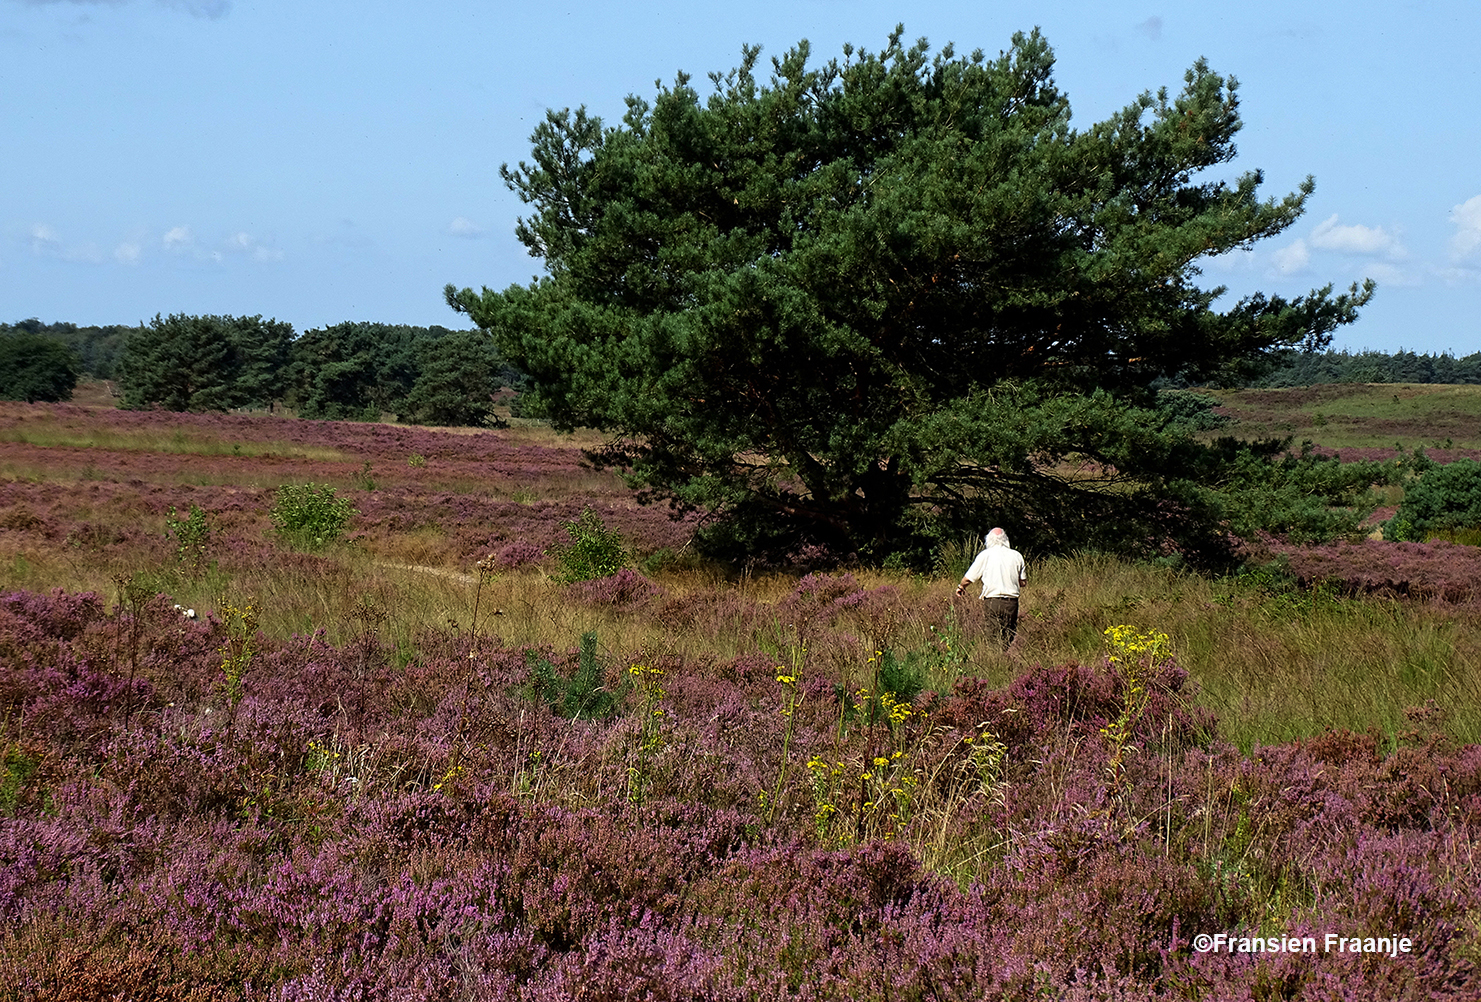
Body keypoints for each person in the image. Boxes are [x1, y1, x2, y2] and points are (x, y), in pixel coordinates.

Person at [955, 527, 1027, 650]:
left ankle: (996, 661)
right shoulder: (1017, 556)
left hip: (993, 601)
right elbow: (1023, 582)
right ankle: (1006, 659)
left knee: (993, 636)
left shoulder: (985, 555)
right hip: (1012, 602)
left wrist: (961, 587)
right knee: (1009, 634)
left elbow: (969, 578)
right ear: (1006, 539)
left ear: (989, 540)